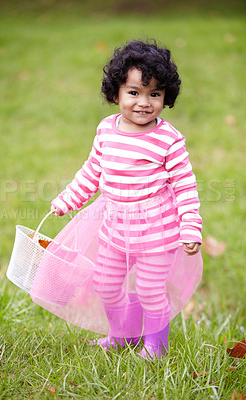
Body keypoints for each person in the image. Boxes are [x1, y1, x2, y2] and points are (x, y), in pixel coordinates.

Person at [34, 40, 203, 360]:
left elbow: (185, 186)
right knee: (105, 284)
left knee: (152, 290)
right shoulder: (106, 131)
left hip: (157, 230)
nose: (144, 102)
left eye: (154, 94)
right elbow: (91, 172)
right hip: (114, 227)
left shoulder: (168, 139)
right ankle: (121, 334)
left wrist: (190, 227)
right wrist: (67, 200)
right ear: (116, 93)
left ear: (166, 97)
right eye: (134, 92)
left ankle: (155, 344)